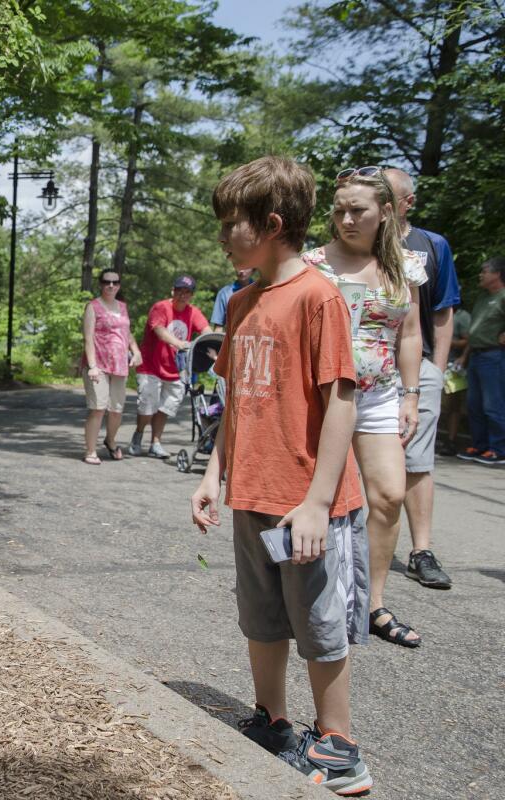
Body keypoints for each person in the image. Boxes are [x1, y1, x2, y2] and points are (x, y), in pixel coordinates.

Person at [192, 156, 371, 796]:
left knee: (319, 621)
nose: (222, 236)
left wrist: (320, 502)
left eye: (230, 223)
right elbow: (236, 402)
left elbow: (342, 402)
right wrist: (215, 474)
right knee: (262, 615)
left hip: (307, 503)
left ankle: (339, 745)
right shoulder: (241, 303)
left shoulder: (317, 296)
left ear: (269, 224)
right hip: (252, 492)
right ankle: (272, 720)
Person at [304, 166, 424, 648]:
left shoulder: (405, 265)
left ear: (386, 212)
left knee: (389, 495)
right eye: (339, 211)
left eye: (358, 211)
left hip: (379, 394)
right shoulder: (314, 263)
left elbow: (410, 333)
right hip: (326, 395)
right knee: (321, 498)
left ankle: (372, 603)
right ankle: (315, 597)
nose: (347, 219)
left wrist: (411, 395)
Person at [383, 168, 459, 590]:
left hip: (420, 366)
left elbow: (442, 313)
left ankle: (420, 551)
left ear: (407, 202)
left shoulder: (432, 245)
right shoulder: (357, 244)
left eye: (387, 195)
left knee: (417, 460)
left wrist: (437, 371)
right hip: (367, 366)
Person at [127, 276, 208, 458]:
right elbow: (160, 331)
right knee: (148, 405)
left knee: (166, 407)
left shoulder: (193, 312)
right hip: (151, 366)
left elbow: (205, 330)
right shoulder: (161, 307)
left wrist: (209, 342)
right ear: (173, 290)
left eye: (187, 292)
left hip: (176, 369)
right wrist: (180, 343)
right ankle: (138, 434)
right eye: (179, 290)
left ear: (191, 295)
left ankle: (156, 443)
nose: (182, 295)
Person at [81, 270, 142, 462]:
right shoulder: (93, 307)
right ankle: (91, 451)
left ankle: (110, 440)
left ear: (119, 285)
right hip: (98, 365)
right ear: (101, 284)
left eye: (115, 282)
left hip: (119, 365)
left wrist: (136, 350)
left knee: (116, 409)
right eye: (107, 282)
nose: (111, 285)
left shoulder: (122, 307)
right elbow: (88, 338)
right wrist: (92, 365)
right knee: (98, 408)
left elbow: (127, 332)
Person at [456, 258, 505, 465]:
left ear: (498, 274)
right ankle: (479, 445)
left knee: (493, 404)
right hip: (475, 355)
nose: (480, 275)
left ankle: (499, 449)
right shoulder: (483, 297)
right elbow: (474, 330)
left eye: (484, 271)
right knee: (474, 404)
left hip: (494, 355)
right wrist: (464, 356)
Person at [438, 306, 472, 454]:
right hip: (434, 365)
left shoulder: (462, 316)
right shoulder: (437, 312)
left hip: (453, 370)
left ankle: (450, 442)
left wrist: (445, 341)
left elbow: (468, 341)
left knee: (453, 406)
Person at [210, 264, 256, 331]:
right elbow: (218, 326)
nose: (241, 271)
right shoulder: (224, 293)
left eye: (246, 267)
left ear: (253, 270)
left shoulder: (261, 290)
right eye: (239, 266)